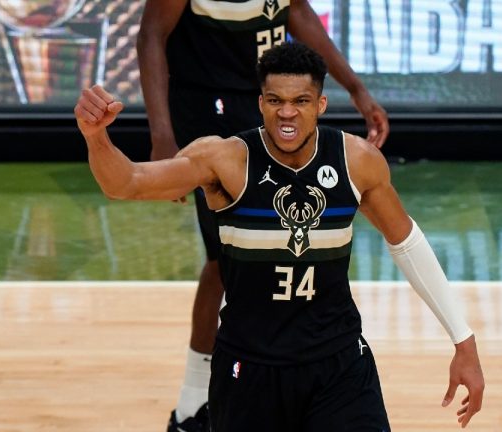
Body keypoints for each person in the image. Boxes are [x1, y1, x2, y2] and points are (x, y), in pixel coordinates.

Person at [76, 42, 484, 431]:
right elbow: (127, 182)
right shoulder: (225, 160)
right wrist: (97, 137)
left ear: (320, 105)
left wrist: (463, 340)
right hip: (249, 369)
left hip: (338, 364)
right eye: (275, 101)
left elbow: (407, 242)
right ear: (260, 103)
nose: (287, 113)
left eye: (300, 102)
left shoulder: (356, 161)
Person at [136, 0, 390, 429]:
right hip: (207, 104)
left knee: (261, 250)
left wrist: (356, 88)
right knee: (223, 259)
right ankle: (192, 404)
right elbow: (150, 35)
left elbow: (301, 15)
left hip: (270, 104)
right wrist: (162, 134)